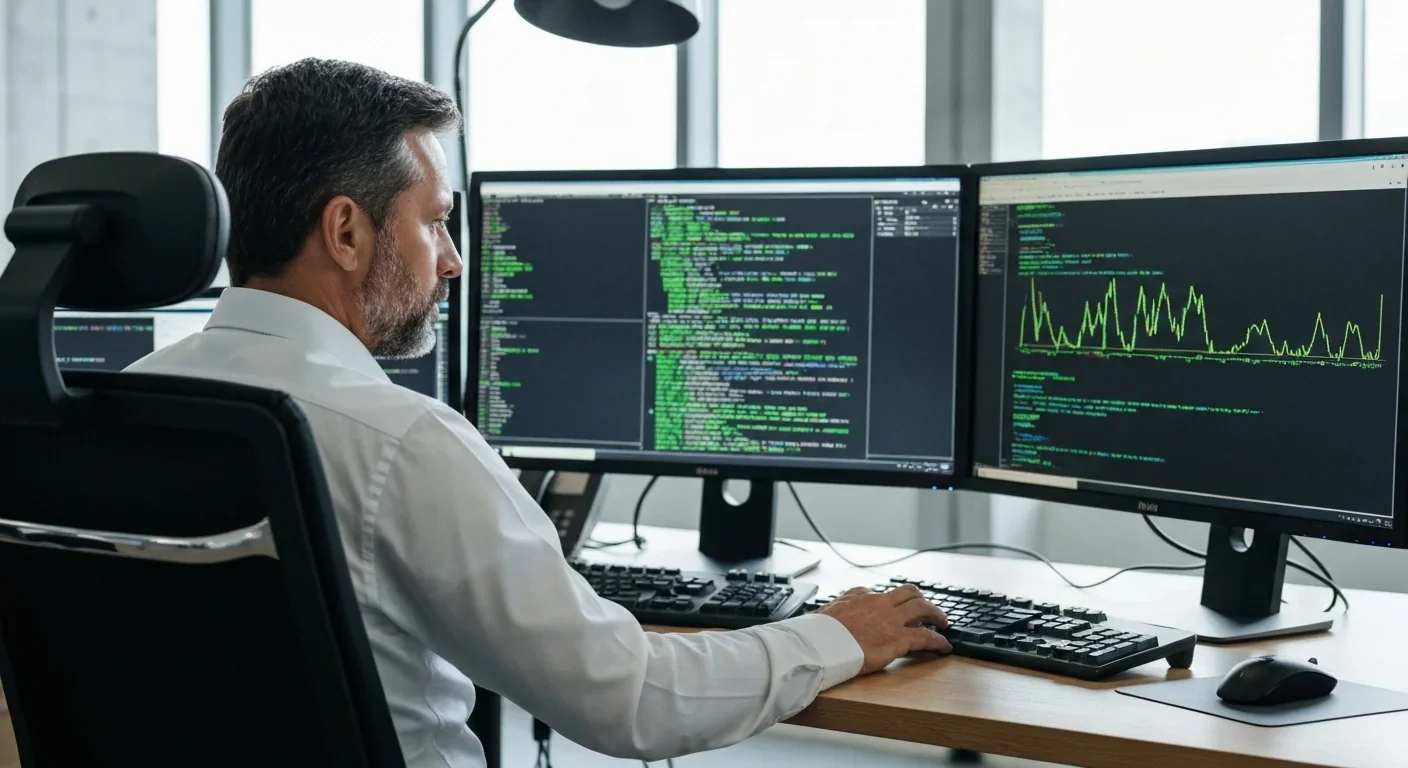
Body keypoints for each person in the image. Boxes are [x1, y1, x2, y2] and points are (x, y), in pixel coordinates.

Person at [128, 58, 951, 768]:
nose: (452, 264)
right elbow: (630, 699)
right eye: (437, 223)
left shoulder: (125, 402)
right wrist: (840, 632)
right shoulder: (398, 443)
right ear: (345, 231)